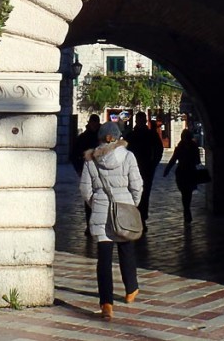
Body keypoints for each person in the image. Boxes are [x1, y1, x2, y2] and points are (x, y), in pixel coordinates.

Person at [79, 121, 143, 321]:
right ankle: (131, 289)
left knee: (104, 259)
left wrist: (96, 204)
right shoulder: (128, 157)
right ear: (117, 138)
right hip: (123, 208)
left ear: (100, 138)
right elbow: (137, 185)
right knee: (126, 250)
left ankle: (106, 303)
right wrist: (131, 204)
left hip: (100, 209)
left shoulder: (90, 160)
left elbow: (85, 189)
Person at [123, 111, 164, 228]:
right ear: (136, 121)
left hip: (146, 169)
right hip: (132, 170)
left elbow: (158, 150)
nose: (140, 123)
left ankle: (142, 219)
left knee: (144, 195)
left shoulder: (151, 135)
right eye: (139, 120)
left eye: (142, 120)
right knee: (133, 194)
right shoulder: (131, 135)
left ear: (145, 121)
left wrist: (153, 164)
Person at [163, 128, 201, 224]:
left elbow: (173, 159)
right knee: (188, 193)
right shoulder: (194, 146)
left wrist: (167, 170)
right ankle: (187, 210)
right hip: (190, 172)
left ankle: (186, 210)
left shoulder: (180, 147)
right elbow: (197, 161)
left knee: (185, 193)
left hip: (182, 172)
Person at [72, 114, 101, 231]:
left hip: (101, 172)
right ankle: (90, 224)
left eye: (96, 123)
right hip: (87, 171)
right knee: (88, 197)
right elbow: (74, 155)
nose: (94, 125)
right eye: (92, 123)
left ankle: (100, 223)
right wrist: (79, 170)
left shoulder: (102, 137)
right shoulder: (83, 138)